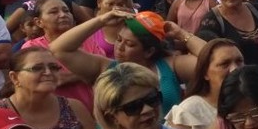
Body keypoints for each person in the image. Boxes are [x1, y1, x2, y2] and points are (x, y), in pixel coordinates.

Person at [50, 8, 203, 117]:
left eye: (129, 44)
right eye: (118, 39)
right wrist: (101, 20)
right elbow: (58, 49)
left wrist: (181, 34)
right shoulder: (104, 68)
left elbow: (213, 60)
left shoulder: (170, 66)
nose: (120, 47)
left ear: (149, 51)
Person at [0, 47, 97, 129]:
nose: (48, 72)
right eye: (37, 68)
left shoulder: (74, 107)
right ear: (14, 77)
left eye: (53, 67)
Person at [165, 38, 245, 129]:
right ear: (205, 73)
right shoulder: (188, 111)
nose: (234, 69)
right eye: (224, 64)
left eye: (239, 61)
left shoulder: (254, 102)